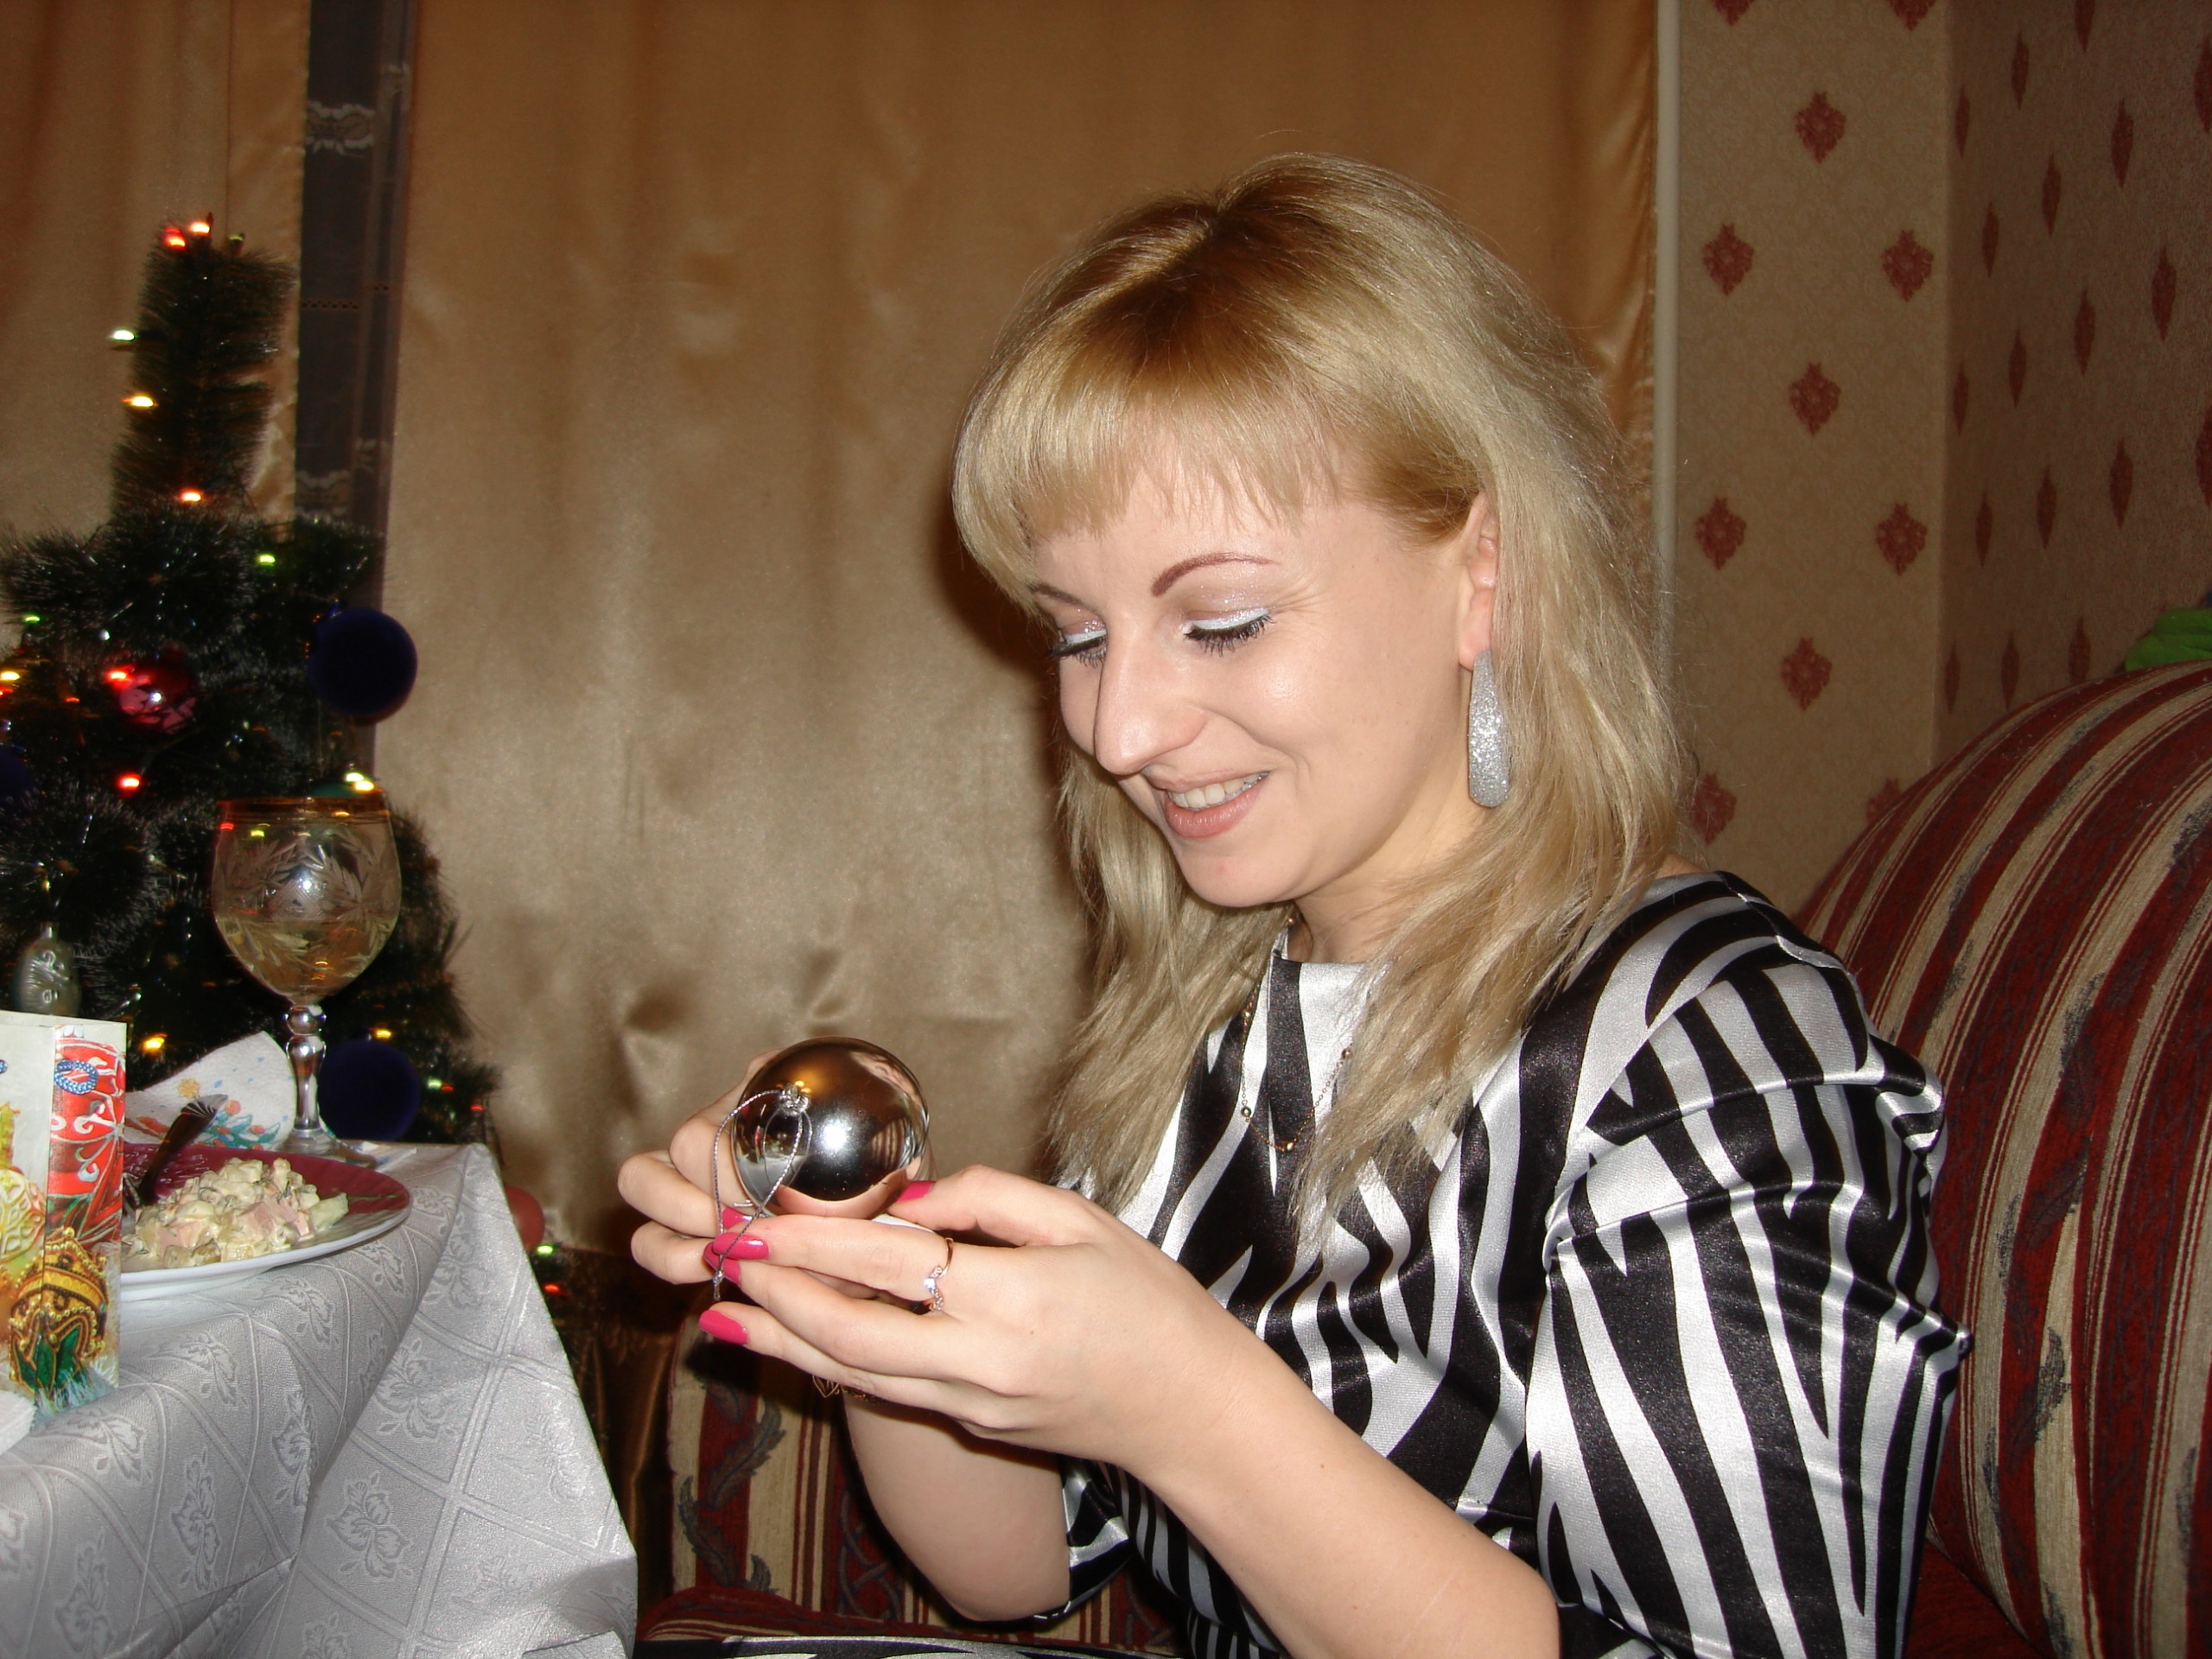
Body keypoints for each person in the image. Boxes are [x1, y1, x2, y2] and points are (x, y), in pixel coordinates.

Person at [620, 154, 1967, 1659]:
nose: (1118, 729)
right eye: (1077, 636)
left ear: (1485, 572)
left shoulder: (1704, 1048)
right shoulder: (1211, 1026)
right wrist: (862, 1290)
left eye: (1222, 621)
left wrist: (1187, 1401)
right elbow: (1019, 1565)